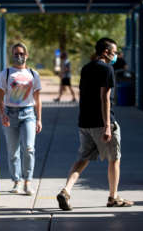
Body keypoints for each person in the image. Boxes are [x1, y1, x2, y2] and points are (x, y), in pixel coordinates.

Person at [56, 38, 133, 211]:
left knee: (82, 159)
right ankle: (113, 197)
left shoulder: (86, 68)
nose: (115, 56)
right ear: (105, 52)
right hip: (102, 121)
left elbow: (83, 94)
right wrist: (107, 125)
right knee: (114, 159)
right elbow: (104, 98)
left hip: (84, 122)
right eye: (114, 52)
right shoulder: (107, 69)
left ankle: (66, 190)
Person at [0, 43, 42, 195]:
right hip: (10, 113)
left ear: (27, 55)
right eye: (16, 54)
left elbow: (37, 99)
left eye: (21, 53)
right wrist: (3, 114)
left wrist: (39, 119)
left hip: (28, 114)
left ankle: (28, 181)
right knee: (13, 150)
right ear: (12, 55)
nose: (19, 56)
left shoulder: (33, 74)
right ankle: (17, 181)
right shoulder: (6, 74)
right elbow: (0, 98)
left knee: (29, 148)